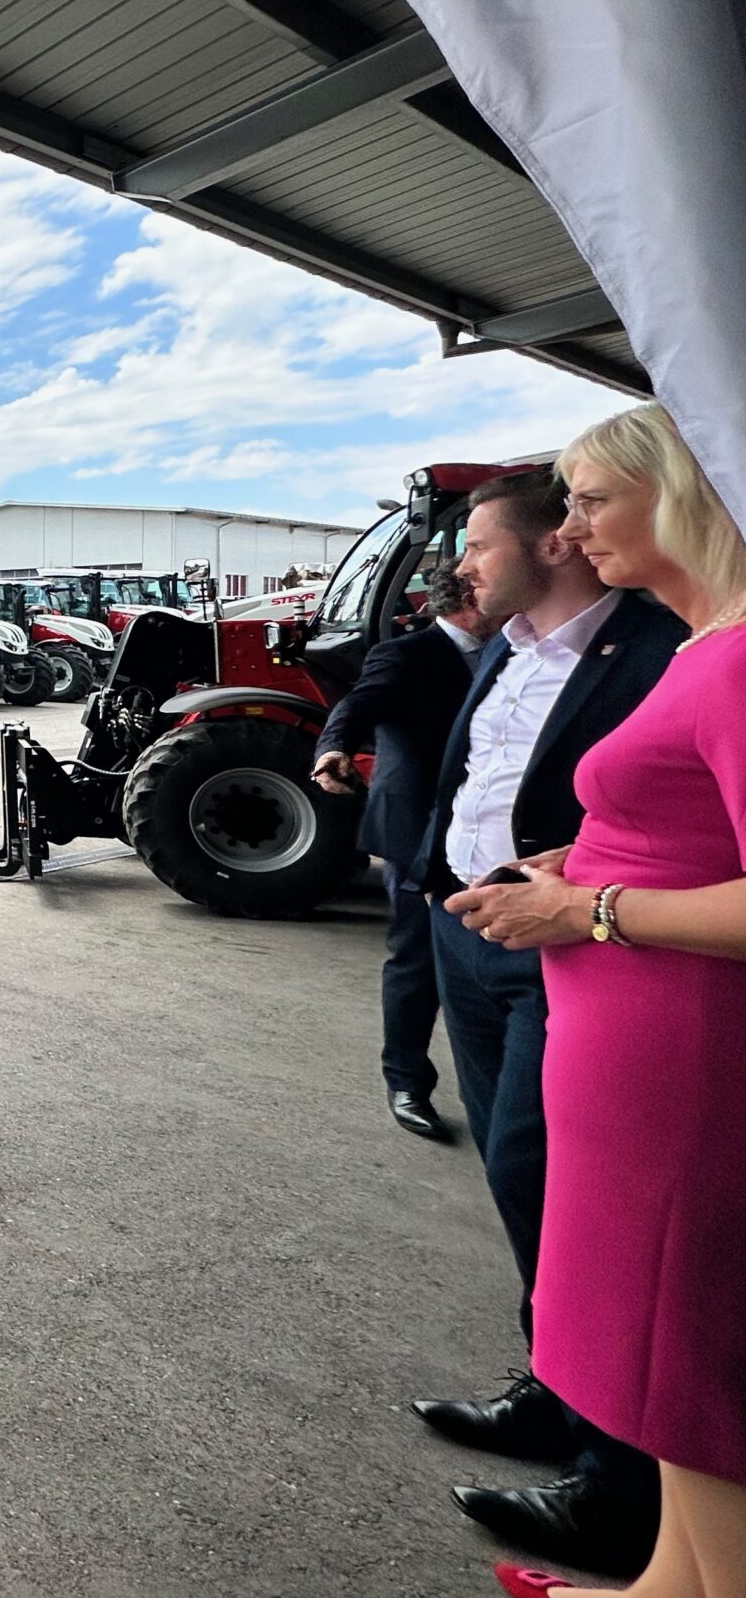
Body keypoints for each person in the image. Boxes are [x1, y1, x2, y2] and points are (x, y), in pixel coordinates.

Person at [445, 405, 746, 1598]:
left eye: (589, 500)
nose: (569, 528)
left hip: (682, 1071)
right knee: (665, 1370)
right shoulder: (701, 644)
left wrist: (591, 908)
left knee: (688, 1360)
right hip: (636, 1063)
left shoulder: (733, 658)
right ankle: (665, 1583)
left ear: (680, 490)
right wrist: (586, 856)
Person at [406, 468, 687, 1578]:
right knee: (517, 1175)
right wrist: (434, 879)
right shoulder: (510, 649)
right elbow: (471, 774)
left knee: (573, 1193)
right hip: (471, 933)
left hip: (568, 947)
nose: (462, 566)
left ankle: (623, 1481)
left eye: (478, 543)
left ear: (553, 546)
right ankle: (558, 1388)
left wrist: (576, 904)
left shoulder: (661, 651)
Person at [312, 566, 497, 1142]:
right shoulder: (407, 654)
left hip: (488, 829)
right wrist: (333, 750)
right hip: (418, 828)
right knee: (418, 959)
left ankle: (495, 1089)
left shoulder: (515, 651)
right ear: (470, 600)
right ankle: (407, 1082)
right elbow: (355, 707)